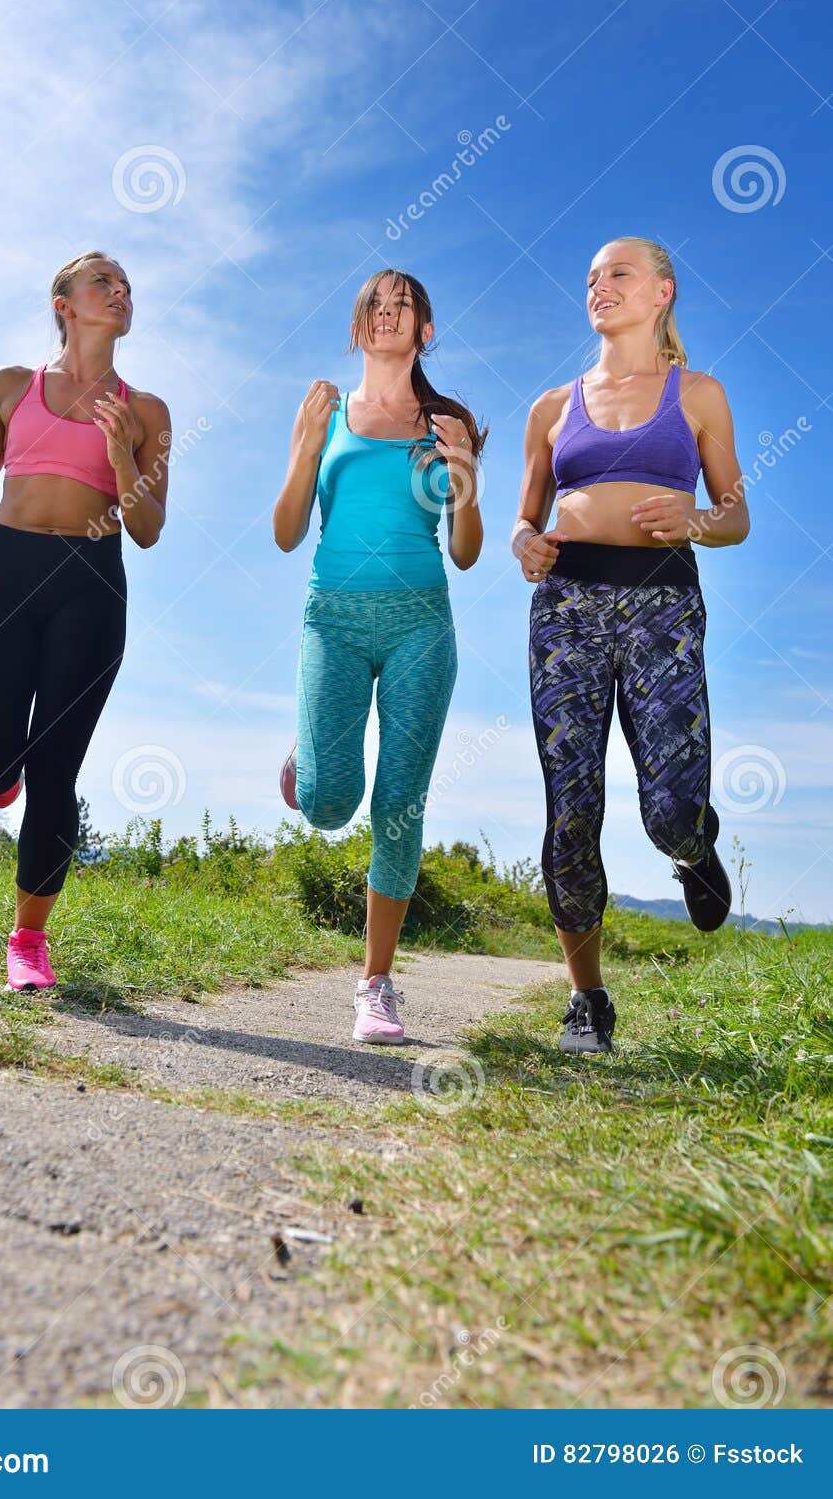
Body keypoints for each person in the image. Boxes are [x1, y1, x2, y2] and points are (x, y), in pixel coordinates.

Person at [512, 235, 749, 1055]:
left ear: (661, 290)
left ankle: (695, 849)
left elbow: (737, 514)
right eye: (589, 277)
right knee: (572, 811)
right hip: (566, 606)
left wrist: (697, 520)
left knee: (667, 809)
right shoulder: (552, 405)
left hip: (663, 607)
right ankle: (588, 999)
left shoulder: (701, 395)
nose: (598, 286)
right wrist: (524, 541)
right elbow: (525, 515)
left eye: (616, 272)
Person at [0, 252, 170, 992]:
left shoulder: (146, 410)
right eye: (104, 281)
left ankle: (29, 940)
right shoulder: (11, 387)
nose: (120, 291)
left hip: (93, 582)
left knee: (56, 767)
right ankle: (0, 778)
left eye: (128, 284)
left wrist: (124, 455)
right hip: (7, 568)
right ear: (63, 303)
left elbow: (151, 527)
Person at [273, 269, 486, 1044]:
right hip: (331, 614)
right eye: (376, 306)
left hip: (420, 621)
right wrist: (302, 448)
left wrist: (464, 482)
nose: (389, 314)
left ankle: (376, 983)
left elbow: (465, 552)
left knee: (399, 804)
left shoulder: (449, 421)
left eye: (405, 306)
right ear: (359, 329)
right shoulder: (327, 413)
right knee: (328, 805)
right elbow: (287, 532)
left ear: (426, 331)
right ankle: (312, 741)